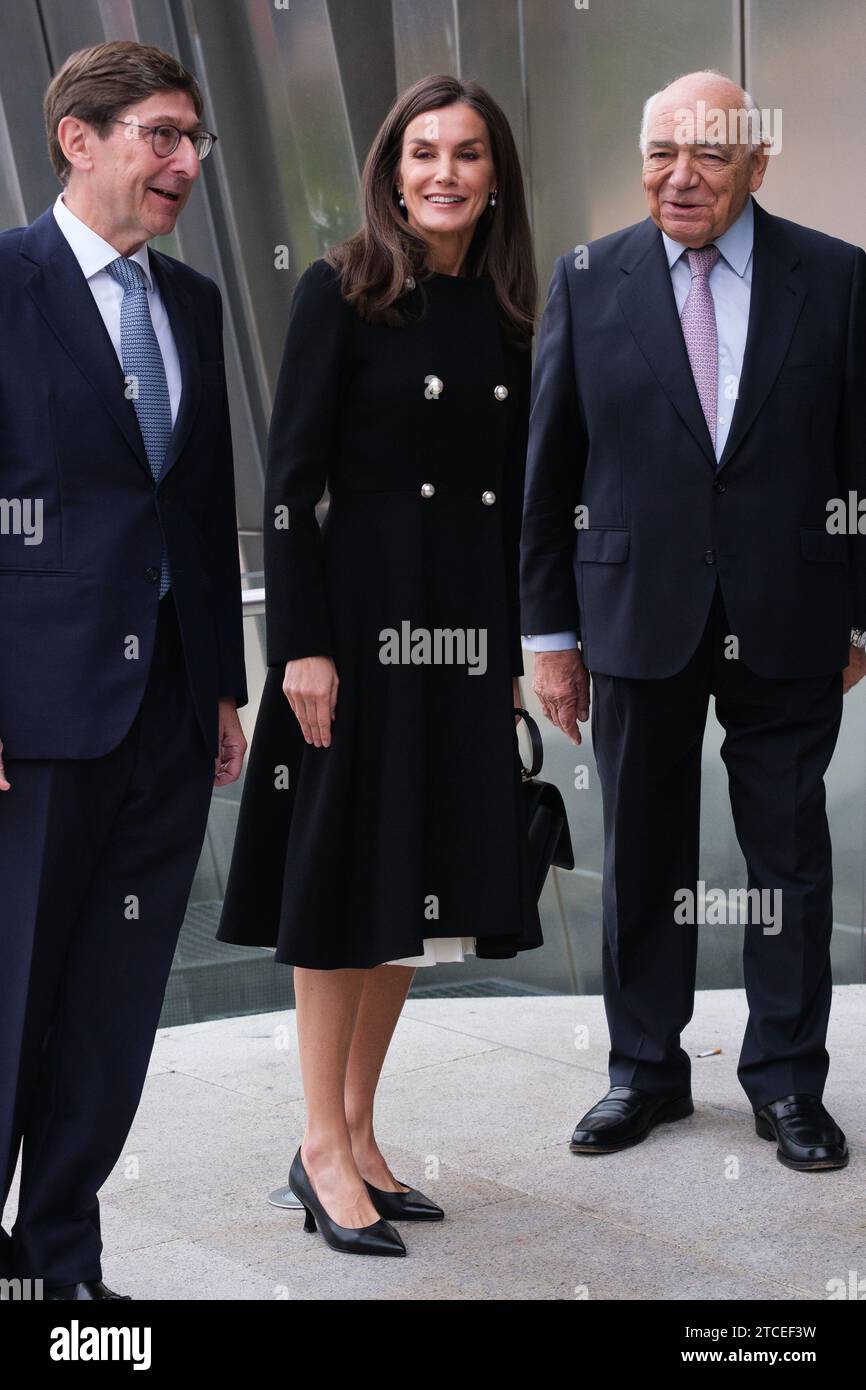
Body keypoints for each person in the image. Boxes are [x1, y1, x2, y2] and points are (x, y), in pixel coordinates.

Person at [217, 74, 540, 1254]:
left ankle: (356, 1133)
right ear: (390, 173)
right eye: (421, 154)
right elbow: (290, 486)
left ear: (493, 174)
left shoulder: (512, 313)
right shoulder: (341, 290)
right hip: (354, 635)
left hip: (459, 645)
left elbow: (511, 509)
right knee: (346, 884)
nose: (442, 173)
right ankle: (314, 1145)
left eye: (464, 154)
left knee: (418, 893)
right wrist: (298, 643)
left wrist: (504, 658)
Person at [521, 69, 866, 1172]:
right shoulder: (585, 279)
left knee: (785, 859)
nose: (681, 176)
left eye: (709, 154)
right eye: (662, 151)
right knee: (641, 852)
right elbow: (548, 467)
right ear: (638, 159)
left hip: (790, 614)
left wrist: (863, 614)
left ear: (756, 164)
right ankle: (641, 1072)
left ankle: (784, 1083)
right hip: (631, 611)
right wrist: (547, 636)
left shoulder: (838, 278)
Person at [0, 40, 247, 1299]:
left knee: (111, 1010)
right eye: (161, 134)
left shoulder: (192, 302)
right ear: (76, 139)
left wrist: (221, 684)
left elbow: (198, 504)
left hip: (160, 715)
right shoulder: (5, 281)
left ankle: (61, 1266)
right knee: (12, 1000)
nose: (187, 162)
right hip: (30, 724)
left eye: (195, 139)